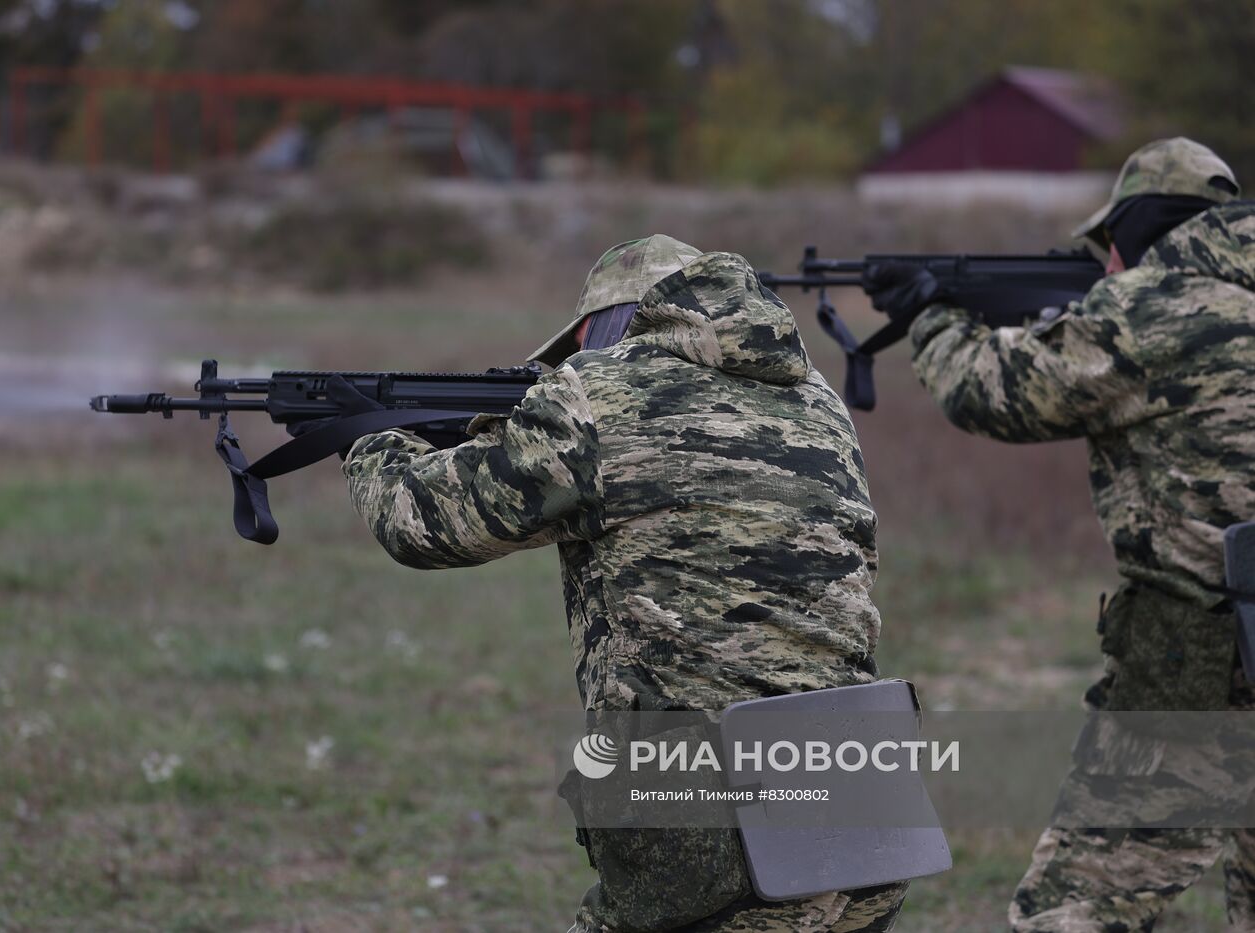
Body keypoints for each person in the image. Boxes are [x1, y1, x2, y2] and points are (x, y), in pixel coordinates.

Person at [339, 235, 910, 930]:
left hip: (722, 846)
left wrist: (370, 438)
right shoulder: (819, 404)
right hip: (862, 814)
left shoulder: (598, 398)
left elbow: (419, 521)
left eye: (584, 339)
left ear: (615, 325)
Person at [863, 137, 1255, 931]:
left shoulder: (1146, 309)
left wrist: (932, 316)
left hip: (1198, 677)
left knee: (1074, 912)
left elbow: (991, 392)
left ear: (1137, 230)